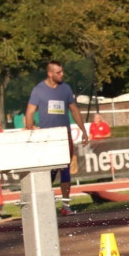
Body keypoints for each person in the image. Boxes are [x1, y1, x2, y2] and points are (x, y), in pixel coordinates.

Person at [24, 61, 90, 208]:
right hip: (47, 137)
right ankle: (45, 204)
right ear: (50, 74)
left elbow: (74, 110)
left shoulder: (65, 89)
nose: (62, 74)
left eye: (62, 72)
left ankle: (66, 206)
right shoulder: (39, 90)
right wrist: (30, 130)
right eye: (58, 72)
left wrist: (83, 130)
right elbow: (29, 112)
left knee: (65, 169)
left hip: (64, 135)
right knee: (50, 171)